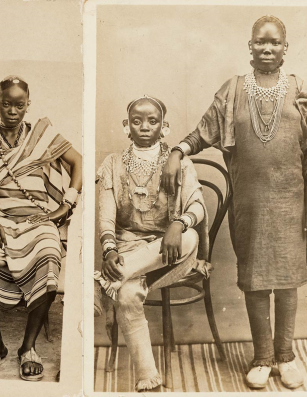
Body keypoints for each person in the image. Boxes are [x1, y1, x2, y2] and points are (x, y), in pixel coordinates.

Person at [162, 15, 307, 390]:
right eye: (260, 42)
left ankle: (286, 356)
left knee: (286, 284)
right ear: (250, 46)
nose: (267, 49)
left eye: (275, 43)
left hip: (290, 201)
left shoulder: (299, 90)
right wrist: (176, 152)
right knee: (255, 283)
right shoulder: (232, 90)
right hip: (250, 203)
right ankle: (263, 358)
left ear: (286, 47)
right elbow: (203, 133)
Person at [0, 75, 82, 380]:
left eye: (19, 105)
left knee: (48, 251)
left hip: (36, 217)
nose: (13, 111)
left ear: (28, 105)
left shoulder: (42, 136)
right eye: (7, 104)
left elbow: (78, 161)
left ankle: (28, 347)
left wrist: (66, 205)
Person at [94, 95, 210, 391]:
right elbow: (106, 217)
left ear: (165, 127)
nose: (144, 126)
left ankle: (101, 284)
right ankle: (149, 376)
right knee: (128, 295)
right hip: (129, 252)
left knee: (190, 236)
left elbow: (196, 206)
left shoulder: (179, 163)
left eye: (152, 121)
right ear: (126, 126)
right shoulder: (113, 164)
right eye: (136, 121)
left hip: (169, 250)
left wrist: (177, 224)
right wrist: (109, 249)